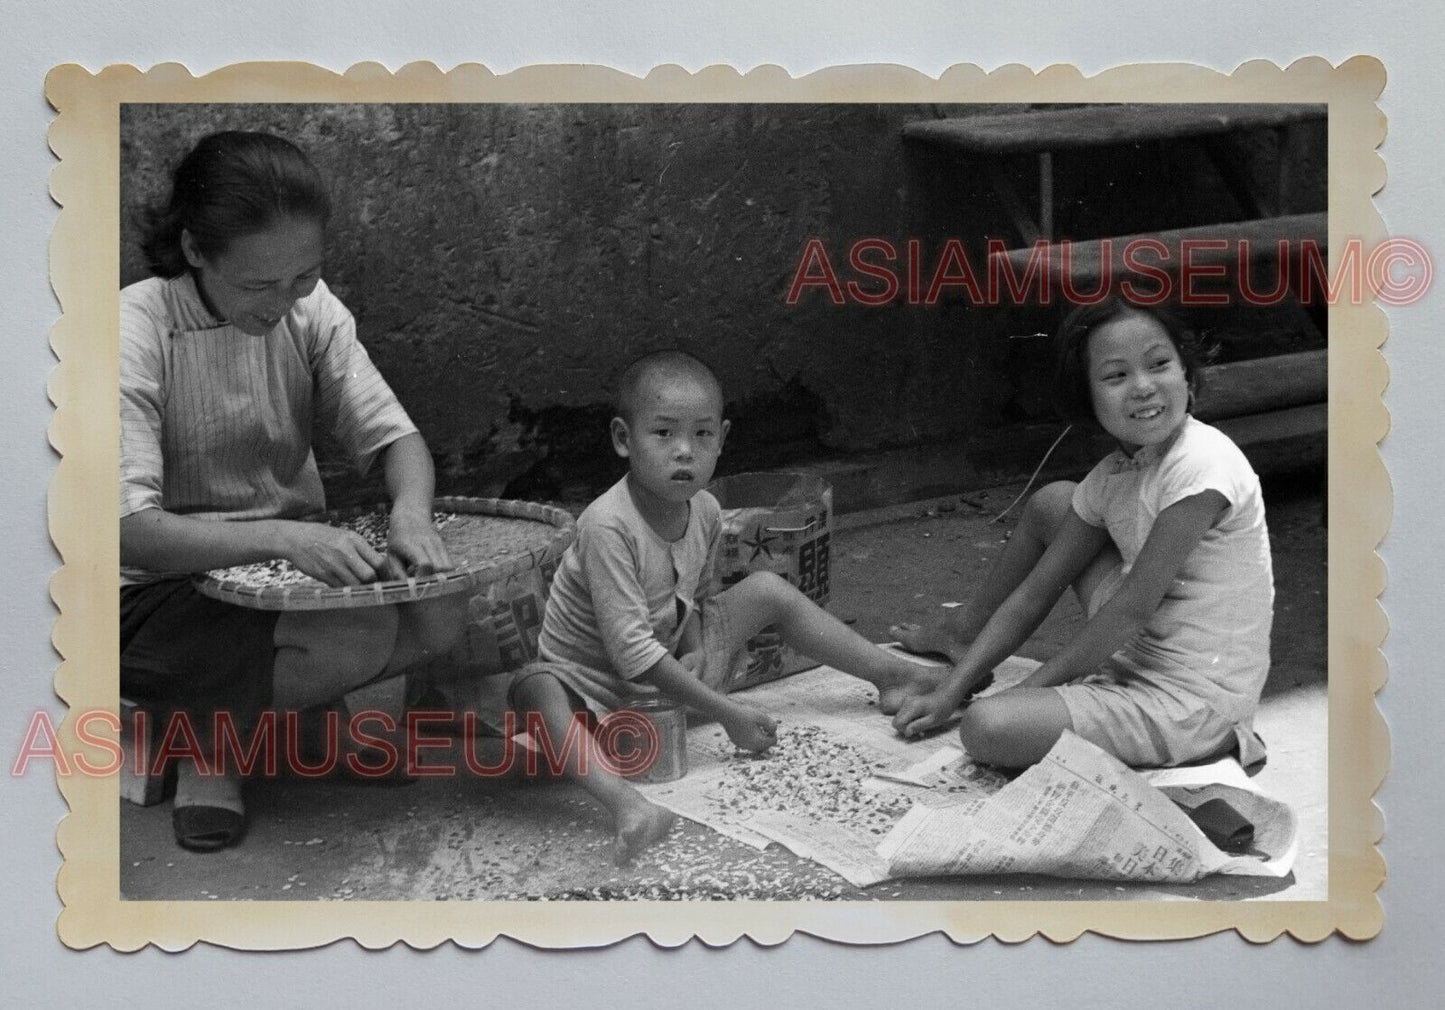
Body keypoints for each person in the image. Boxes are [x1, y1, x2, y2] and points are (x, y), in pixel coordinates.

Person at [120, 131, 467, 851]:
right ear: (193, 251)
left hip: (284, 576)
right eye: (256, 285)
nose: (282, 302)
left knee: (444, 611)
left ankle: (299, 725)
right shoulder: (135, 327)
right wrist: (285, 536)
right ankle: (211, 752)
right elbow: (127, 530)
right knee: (357, 629)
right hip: (163, 585)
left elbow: (396, 440)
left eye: (302, 277)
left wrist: (411, 517)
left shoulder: (312, 312)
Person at [504, 349, 942, 863]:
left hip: (669, 680)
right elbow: (629, 654)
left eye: (702, 435)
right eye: (663, 434)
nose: (685, 452)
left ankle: (889, 673)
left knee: (764, 589)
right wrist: (728, 712)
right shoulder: (607, 525)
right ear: (624, 440)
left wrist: (693, 645)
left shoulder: (706, 510)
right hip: (599, 697)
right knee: (534, 688)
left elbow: (697, 597)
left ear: (723, 440)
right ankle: (629, 806)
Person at [890, 298, 1275, 771]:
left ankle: (1195, 743)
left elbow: (1130, 611)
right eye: (1116, 376)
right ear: (1087, 400)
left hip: (1191, 703)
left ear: (1188, 379)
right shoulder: (1114, 473)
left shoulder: (1202, 465)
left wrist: (1028, 692)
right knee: (1056, 503)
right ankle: (965, 639)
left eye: (1159, 365)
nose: (1144, 388)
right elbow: (1033, 594)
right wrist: (951, 690)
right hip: (1136, 655)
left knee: (989, 726)